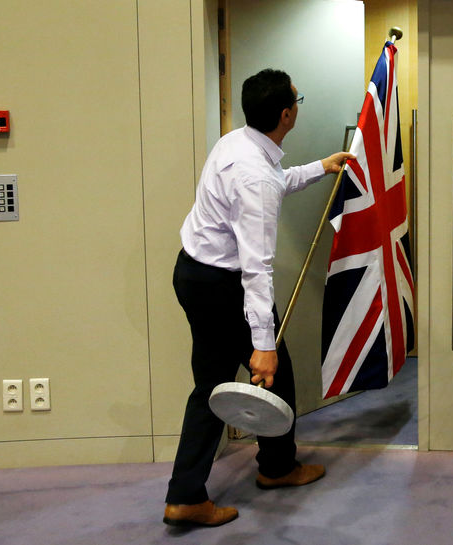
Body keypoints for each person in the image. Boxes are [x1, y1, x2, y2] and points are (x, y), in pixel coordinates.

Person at [163, 68, 354, 527]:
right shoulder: (256, 178)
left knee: (213, 384)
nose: (298, 105)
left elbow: (271, 180)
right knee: (260, 372)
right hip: (223, 285)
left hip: (193, 273)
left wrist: (317, 169)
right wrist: (261, 346)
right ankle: (266, 471)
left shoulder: (238, 142)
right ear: (287, 114)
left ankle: (211, 485)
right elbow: (256, 269)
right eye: (298, 99)